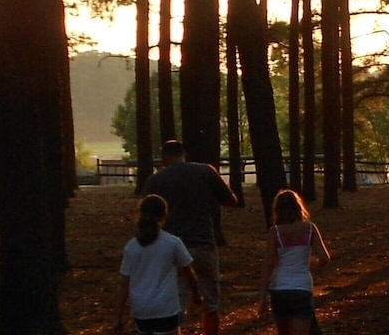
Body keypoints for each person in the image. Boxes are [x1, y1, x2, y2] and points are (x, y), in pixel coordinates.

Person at [146, 140, 242, 335]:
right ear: (184, 153)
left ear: (164, 159)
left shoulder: (156, 180)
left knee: (175, 303)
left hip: (174, 249)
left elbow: (146, 212)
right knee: (210, 303)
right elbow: (231, 200)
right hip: (204, 243)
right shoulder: (206, 172)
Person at [116, 195, 201, 335]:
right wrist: (196, 295)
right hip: (165, 307)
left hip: (140, 309)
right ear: (164, 215)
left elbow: (125, 284)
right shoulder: (172, 243)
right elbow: (189, 272)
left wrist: (117, 316)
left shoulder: (131, 247)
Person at [258, 190, 331, 335]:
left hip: (279, 289)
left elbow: (269, 265)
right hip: (301, 288)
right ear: (299, 207)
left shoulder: (275, 232)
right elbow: (325, 258)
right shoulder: (310, 228)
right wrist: (311, 264)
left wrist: (262, 298)